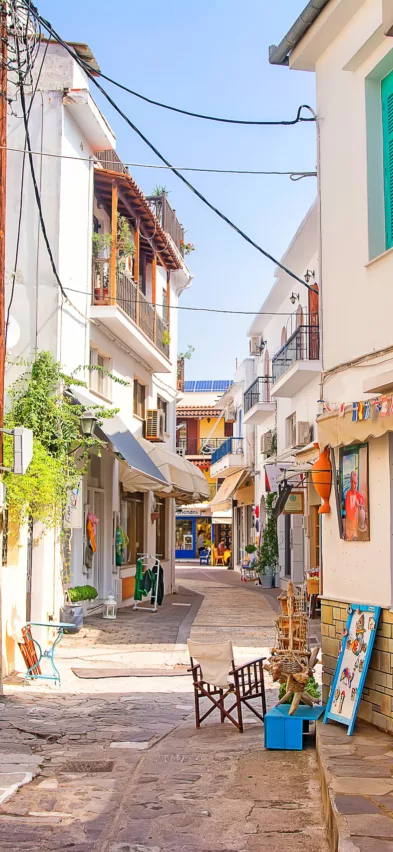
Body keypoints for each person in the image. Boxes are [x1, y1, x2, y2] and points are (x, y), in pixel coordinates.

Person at [344, 470, 365, 541]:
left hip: (355, 522)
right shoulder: (348, 494)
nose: (354, 485)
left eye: (355, 483)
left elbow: (361, 498)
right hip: (350, 523)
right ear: (350, 482)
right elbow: (348, 512)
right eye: (352, 482)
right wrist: (355, 506)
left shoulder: (356, 493)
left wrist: (360, 501)